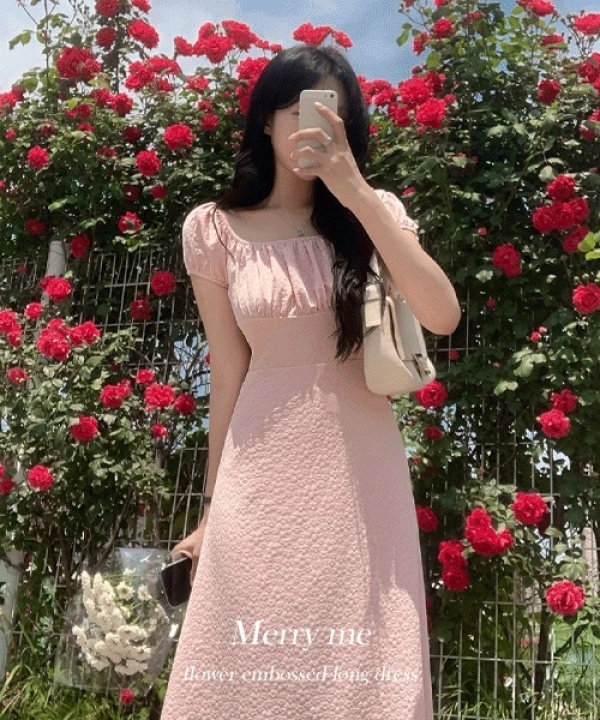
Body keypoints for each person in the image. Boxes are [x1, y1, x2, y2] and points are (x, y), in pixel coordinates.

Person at [160, 44, 460, 720]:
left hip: (361, 472)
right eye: (298, 109)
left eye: (331, 113)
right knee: (247, 660)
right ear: (267, 118)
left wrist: (357, 195)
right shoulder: (214, 230)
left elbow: (442, 315)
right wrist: (209, 511)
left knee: (364, 662)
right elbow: (228, 373)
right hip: (259, 472)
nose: (312, 126)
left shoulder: (372, 213)